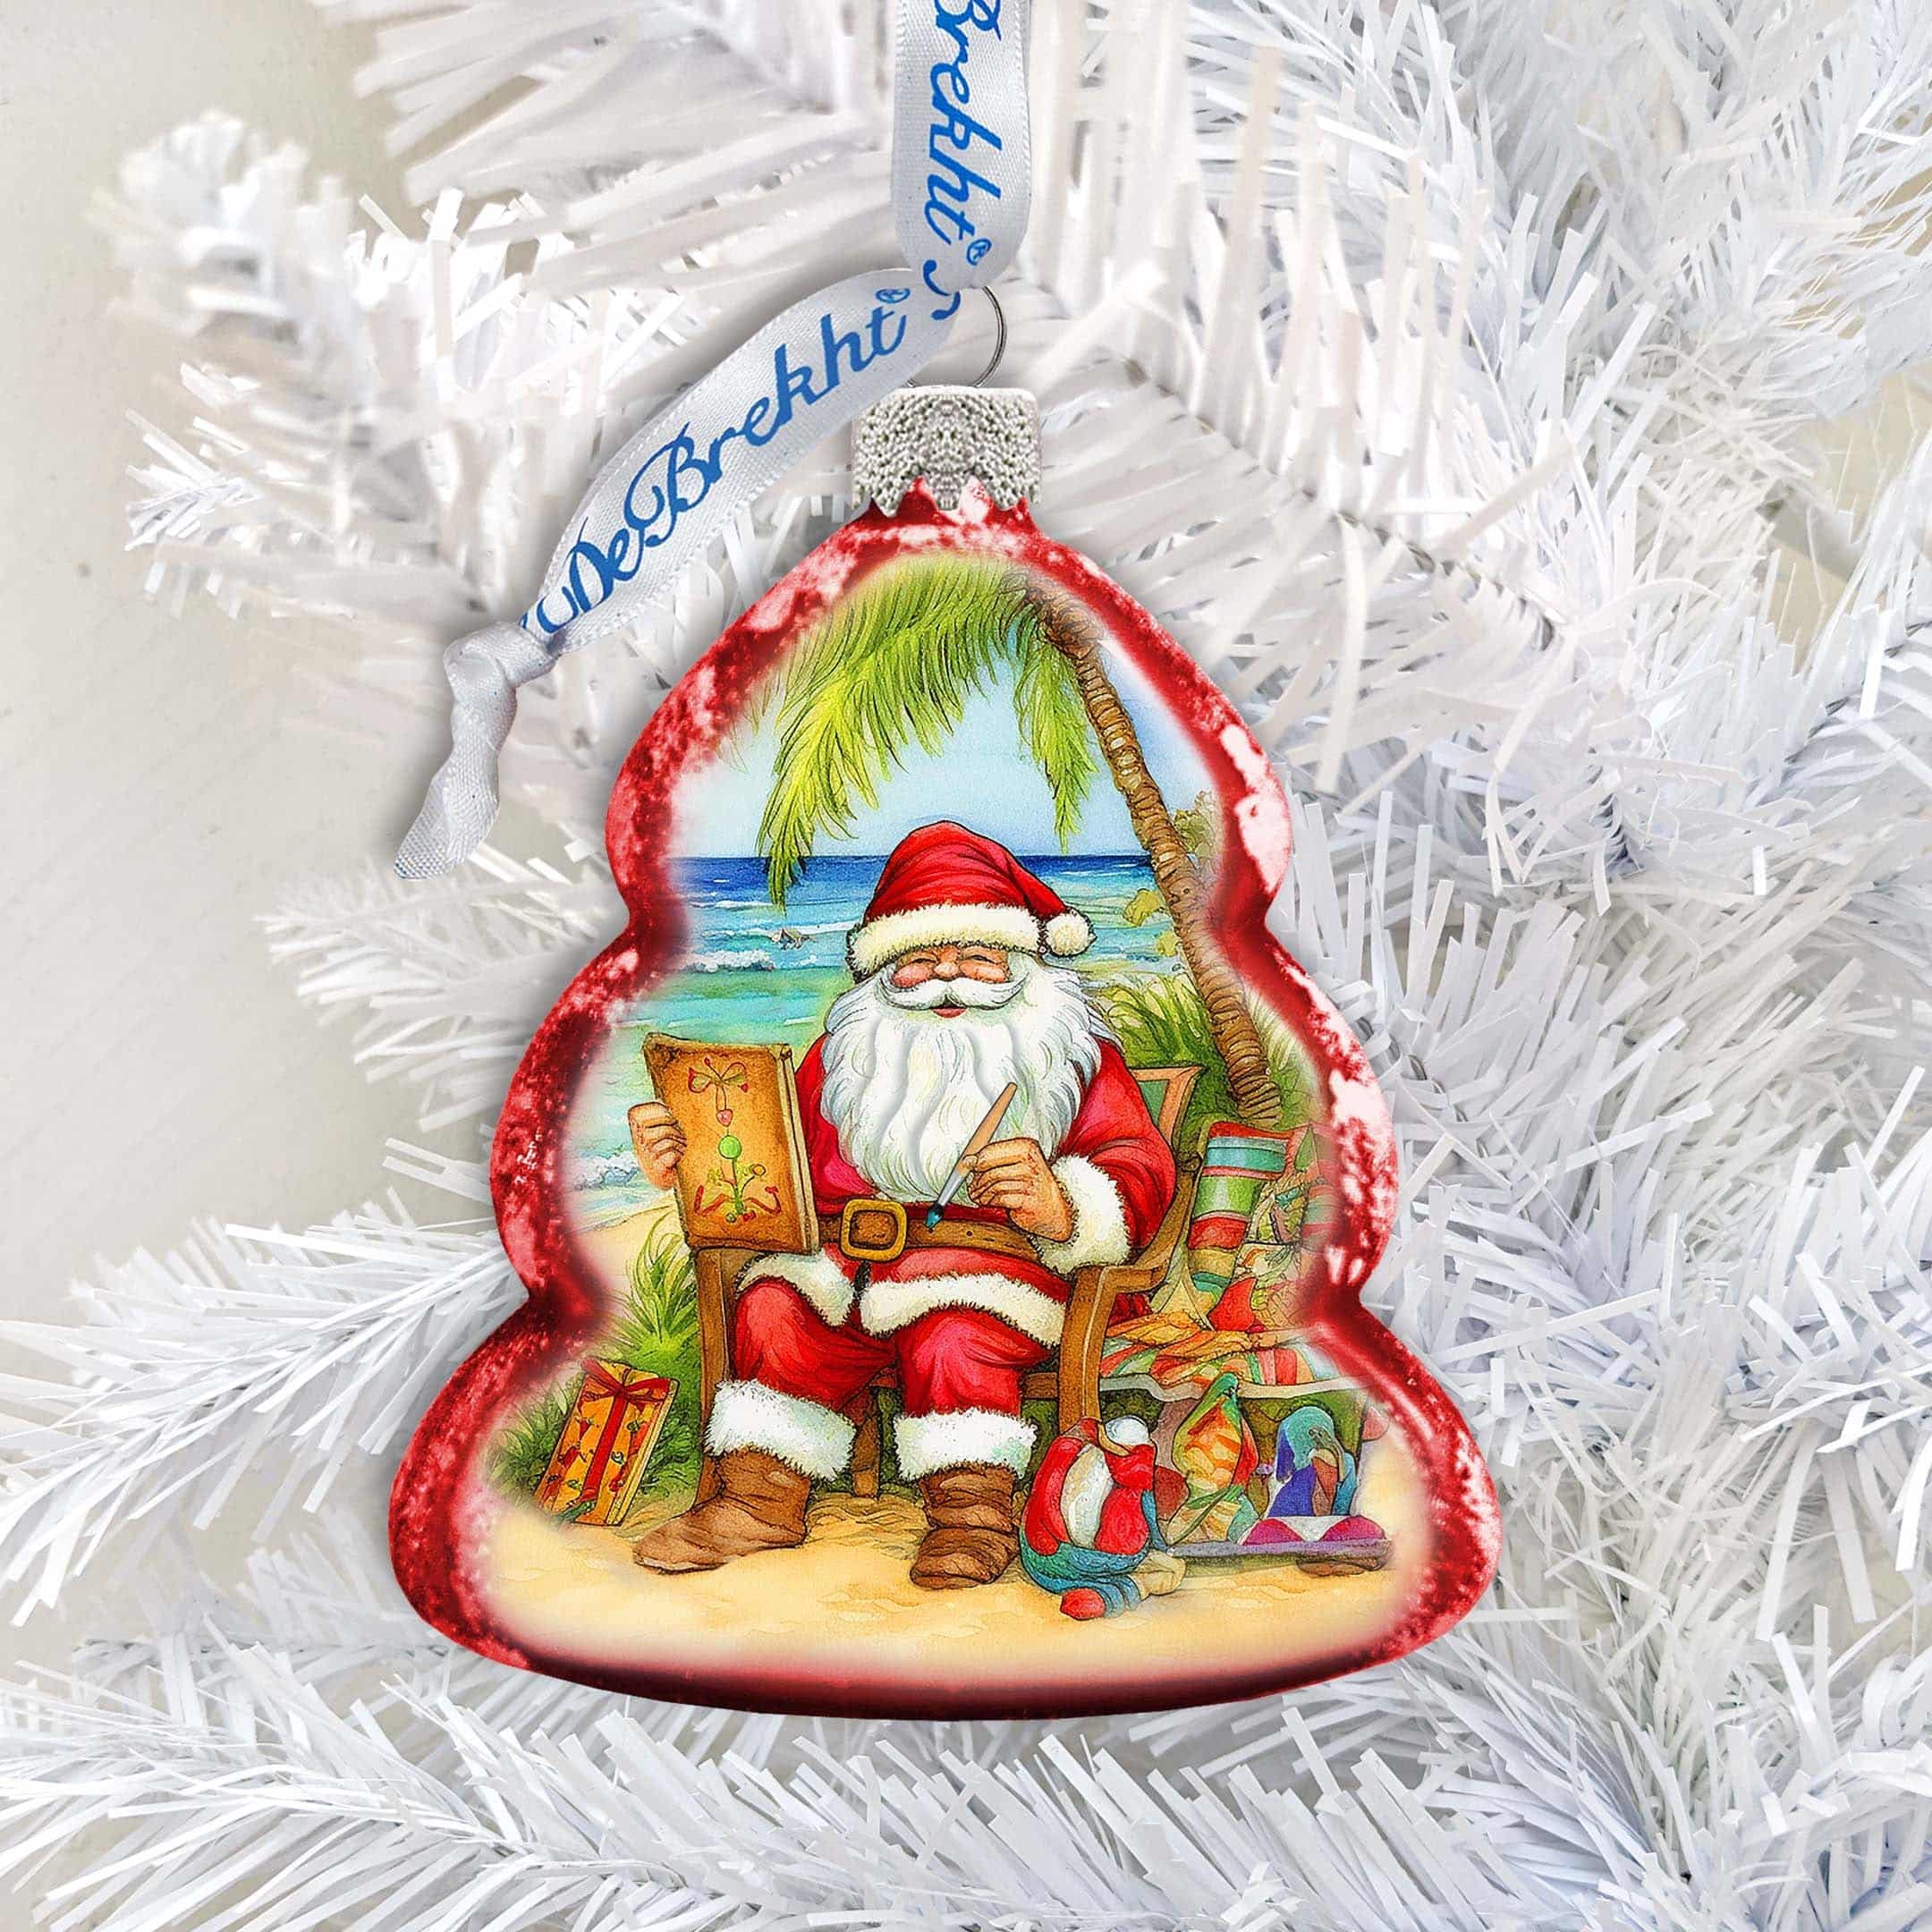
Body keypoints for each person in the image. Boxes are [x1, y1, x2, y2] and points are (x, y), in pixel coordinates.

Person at [628, 821, 1176, 1588]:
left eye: (978, 954)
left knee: (952, 1336)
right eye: (920, 958)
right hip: (850, 1271)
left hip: (1004, 1281)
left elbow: (1138, 1167)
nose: (949, 976)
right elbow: (773, 1164)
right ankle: (756, 1501)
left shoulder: (1072, 1054)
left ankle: (972, 1519)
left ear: (1020, 960)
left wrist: (1061, 1203)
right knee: (774, 1309)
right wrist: (686, 1154)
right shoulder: (847, 1055)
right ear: (885, 967)